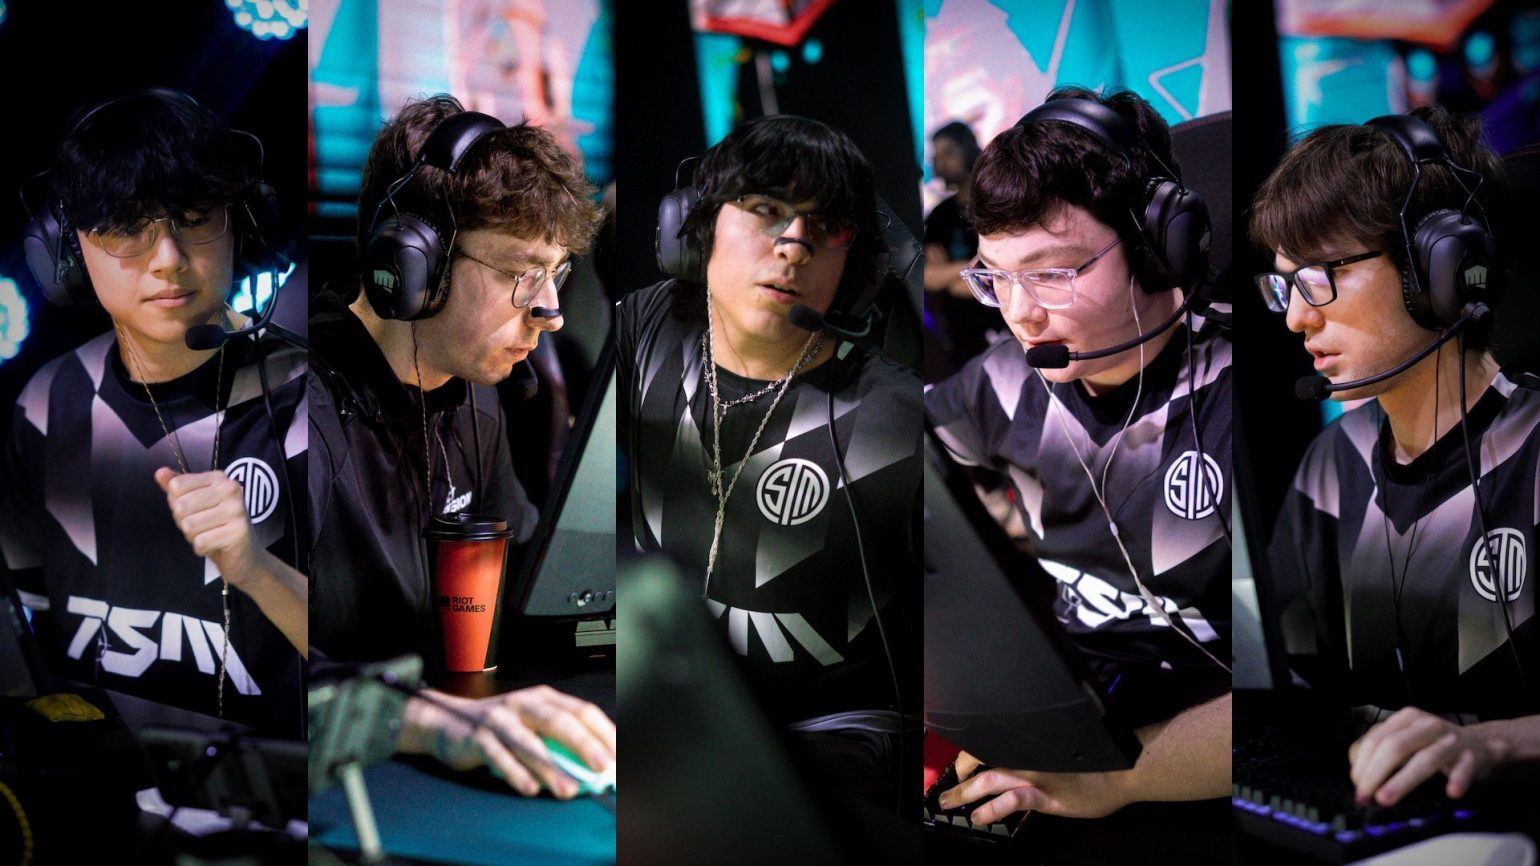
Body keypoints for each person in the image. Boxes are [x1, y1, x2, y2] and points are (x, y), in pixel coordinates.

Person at [925, 87, 1232, 824]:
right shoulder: (1003, 383)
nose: (1021, 313)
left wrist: (1120, 780)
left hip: (1203, 748)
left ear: (1155, 249)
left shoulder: (1247, 401)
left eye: (1052, 273)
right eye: (996, 277)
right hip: (1074, 710)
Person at [308, 94, 614, 797]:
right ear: (415, 263)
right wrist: (427, 721)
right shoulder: (297, 410)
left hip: (432, 773)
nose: (551, 311)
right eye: (521, 274)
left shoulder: (473, 394)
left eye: (557, 273)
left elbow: (524, 590)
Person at [618, 114, 922, 810]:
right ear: (695, 229)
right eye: (765, 209)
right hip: (669, 715)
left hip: (835, 735)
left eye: (827, 226)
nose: (794, 244)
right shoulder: (642, 330)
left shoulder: (902, 418)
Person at [1251, 106, 1539, 808]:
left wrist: (1499, 744)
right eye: (1286, 284)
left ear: (1439, 268)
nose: (1296, 316)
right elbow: (1289, 692)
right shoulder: (1331, 466)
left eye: (1323, 274)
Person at [1, 89, 306, 735]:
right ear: (68, 251)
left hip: (276, 791)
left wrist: (257, 570)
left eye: (194, 218)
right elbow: (22, 639)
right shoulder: (46, 404)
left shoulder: (312, 406)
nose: (169, 259)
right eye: (127, 229)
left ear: (242, 225)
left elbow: (377, 669)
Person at [922, 120, 996, 380]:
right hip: (959, 339)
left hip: (1001, 330)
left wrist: (950, 274)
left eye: (949, 153)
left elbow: (996, 279)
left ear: (968, 150)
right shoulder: (939, 216)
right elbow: (929, 277)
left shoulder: (995, 204)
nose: (940, 163)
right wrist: (974, 270)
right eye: (936, 156)